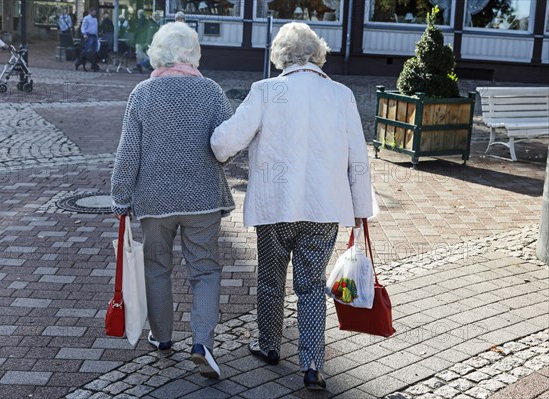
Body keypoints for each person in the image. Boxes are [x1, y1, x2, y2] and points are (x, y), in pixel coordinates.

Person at [210, 22, 374, 390]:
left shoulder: (266, 91)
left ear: (280, 56)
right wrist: (360, 209)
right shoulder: (341, 95)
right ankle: (312, 362)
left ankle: (268, 344)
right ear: (318, 55)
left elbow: (226, 142)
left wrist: (211, 141)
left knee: (270, 281)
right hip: (323, 210)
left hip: (275, 209)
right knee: (313, 286)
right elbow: (357, 157)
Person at [111, 22, 234, 380]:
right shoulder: (211, 91)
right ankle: (202, 344)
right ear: (193, 53)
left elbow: (128, 153)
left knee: (156, 268)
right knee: (205, 270)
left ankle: (162, 338)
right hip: (203, 198)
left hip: (154, 199)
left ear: (157, 53)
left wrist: (121, 196)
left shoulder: (142, 94)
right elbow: (225, 147)